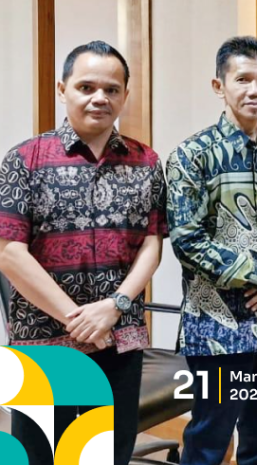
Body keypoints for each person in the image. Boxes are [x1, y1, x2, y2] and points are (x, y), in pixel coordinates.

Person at [0, 41, 166, 465]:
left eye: (112, 89)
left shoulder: (146, 162)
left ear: (125, 95)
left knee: (108, 454)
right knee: (43, 455)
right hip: (45, 345)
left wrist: (115, 305)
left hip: (119, 338)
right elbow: (9, 252)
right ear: (63, 89)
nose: (100, 98)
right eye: (86, 86)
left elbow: (151, 242)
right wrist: (77, 319)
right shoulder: (24, 159)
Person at [166, 36, 257, 465]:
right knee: (210, 435)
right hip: (216, 328)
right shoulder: (193, 155)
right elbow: (187, 240)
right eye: (243, 79)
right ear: (220, 86)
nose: (255, 90)